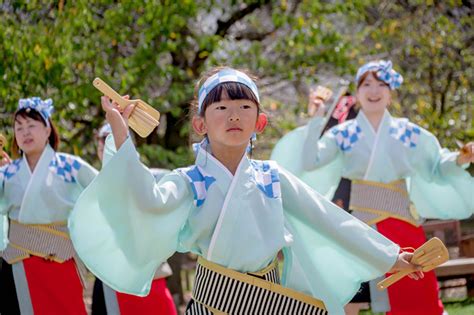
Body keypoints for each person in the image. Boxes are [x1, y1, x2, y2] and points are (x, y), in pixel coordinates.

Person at [69, 67, 421, 315]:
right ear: (200, 124)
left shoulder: (272, 177)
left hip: (270, 300)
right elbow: (143, 199)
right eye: (221, 108)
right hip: (215, 301)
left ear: (259, 122)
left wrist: (390, 257)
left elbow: (328, 219)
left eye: (243, 108)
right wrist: (119, 130)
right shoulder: (188, 181)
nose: (233, 115)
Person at [272, 60, 474, 315]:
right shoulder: (344, 133)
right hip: (361, 225)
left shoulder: (408, 133)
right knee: (347, 292)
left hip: (403, 222)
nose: (374, 90)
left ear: (390, 93)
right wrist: (316, 118)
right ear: (357, 93)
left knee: (416, 296)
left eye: (381, 84)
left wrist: (460, 158)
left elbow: (435, 165)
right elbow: (311, 161)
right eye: (366, 84)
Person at [0, 97, 98, 314]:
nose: (25, 132)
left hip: (60, 260)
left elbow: (104, 192)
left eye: (32, 126)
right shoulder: (7, 173)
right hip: (18, 263)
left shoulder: (70, 166)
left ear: (47, 130)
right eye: (19, 127)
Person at [90, 123, 177, 315]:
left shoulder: (151, 178)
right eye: (102, 144)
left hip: (147, 273)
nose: (105, 148)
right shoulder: (91, 183)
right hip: (108, 274)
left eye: (113, 143)